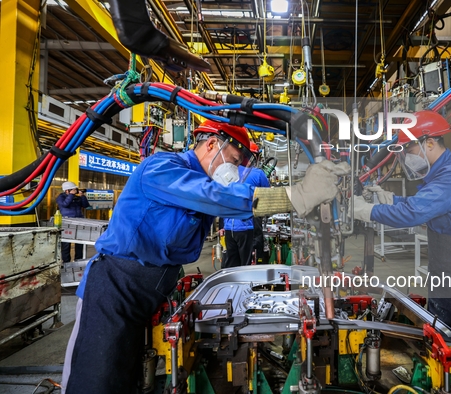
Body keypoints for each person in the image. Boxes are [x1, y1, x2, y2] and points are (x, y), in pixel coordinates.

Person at [62, 119, 349, 394]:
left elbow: (233, 198)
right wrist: (296, 195)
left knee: (130, 374)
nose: (235, 170)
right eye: (235, 160)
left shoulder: (201, 180)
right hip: (116, 286)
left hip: (152, 287)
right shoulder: (162, 169)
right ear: (212, 144)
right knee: (97, 379)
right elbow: (215, 197)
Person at [353, 110, 451, 394]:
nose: (406, 156)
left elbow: (417, 211)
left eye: (409, 148)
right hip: (447, 260)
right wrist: (390, 199)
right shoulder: (442, 171)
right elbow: (428, 205)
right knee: (440, 330)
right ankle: (448, 382)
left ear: (430, 142)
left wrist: (369, 211)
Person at [221, 142, 270, 268]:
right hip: (246, 227)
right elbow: (268, 197)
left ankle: (232, 286)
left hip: (229, 228)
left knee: (231, 264)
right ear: (255, 157)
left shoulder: (228, 174)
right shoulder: (258, 174)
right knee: (247, 264)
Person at [56, 181, 90, 262]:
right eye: (73, 189)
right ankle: (66, 262)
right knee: (66, 244)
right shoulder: (61, 197)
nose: (76, 191)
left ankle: (78, 261)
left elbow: (85, 205)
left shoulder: (76, 197)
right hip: (67, 222)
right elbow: (65, 204)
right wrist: (71, 195)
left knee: (80, 243)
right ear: (67, 190)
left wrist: (82, 197)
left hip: (79, 221)